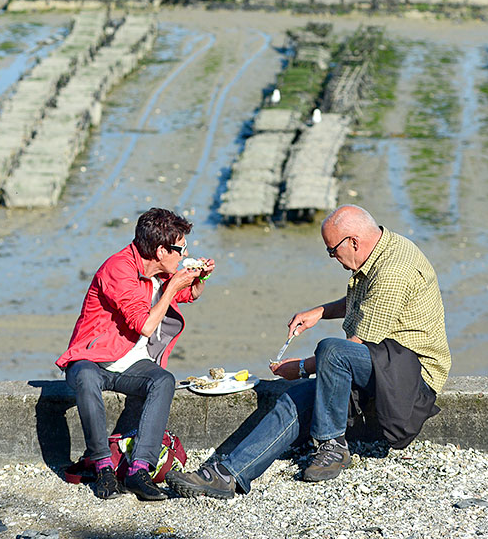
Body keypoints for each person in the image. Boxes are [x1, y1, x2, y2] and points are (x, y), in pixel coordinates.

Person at [167, 204, 450, 499]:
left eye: (332, 251)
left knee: (331, 350)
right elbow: (366, 305)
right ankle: (228, 476)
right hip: (381, 367)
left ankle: (332, 446)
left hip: (411, 379)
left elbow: (355, 347)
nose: (333, 258)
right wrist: (320, 312)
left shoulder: (394, 270)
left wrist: (301, 368)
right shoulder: (378, 252)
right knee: (294, 398)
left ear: (353, 241)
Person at [56, 207, 214, 502]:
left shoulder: (157, 272)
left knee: (164, 380)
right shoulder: (118, 269)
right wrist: (173, 288)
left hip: (129, 362)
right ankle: (102, 465)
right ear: (160, 250)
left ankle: (139, 469)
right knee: (87, 378)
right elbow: (144, 325)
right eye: (180, 249)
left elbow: (189, 295)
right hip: (91, 358)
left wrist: (199, 279)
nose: (184, 255)